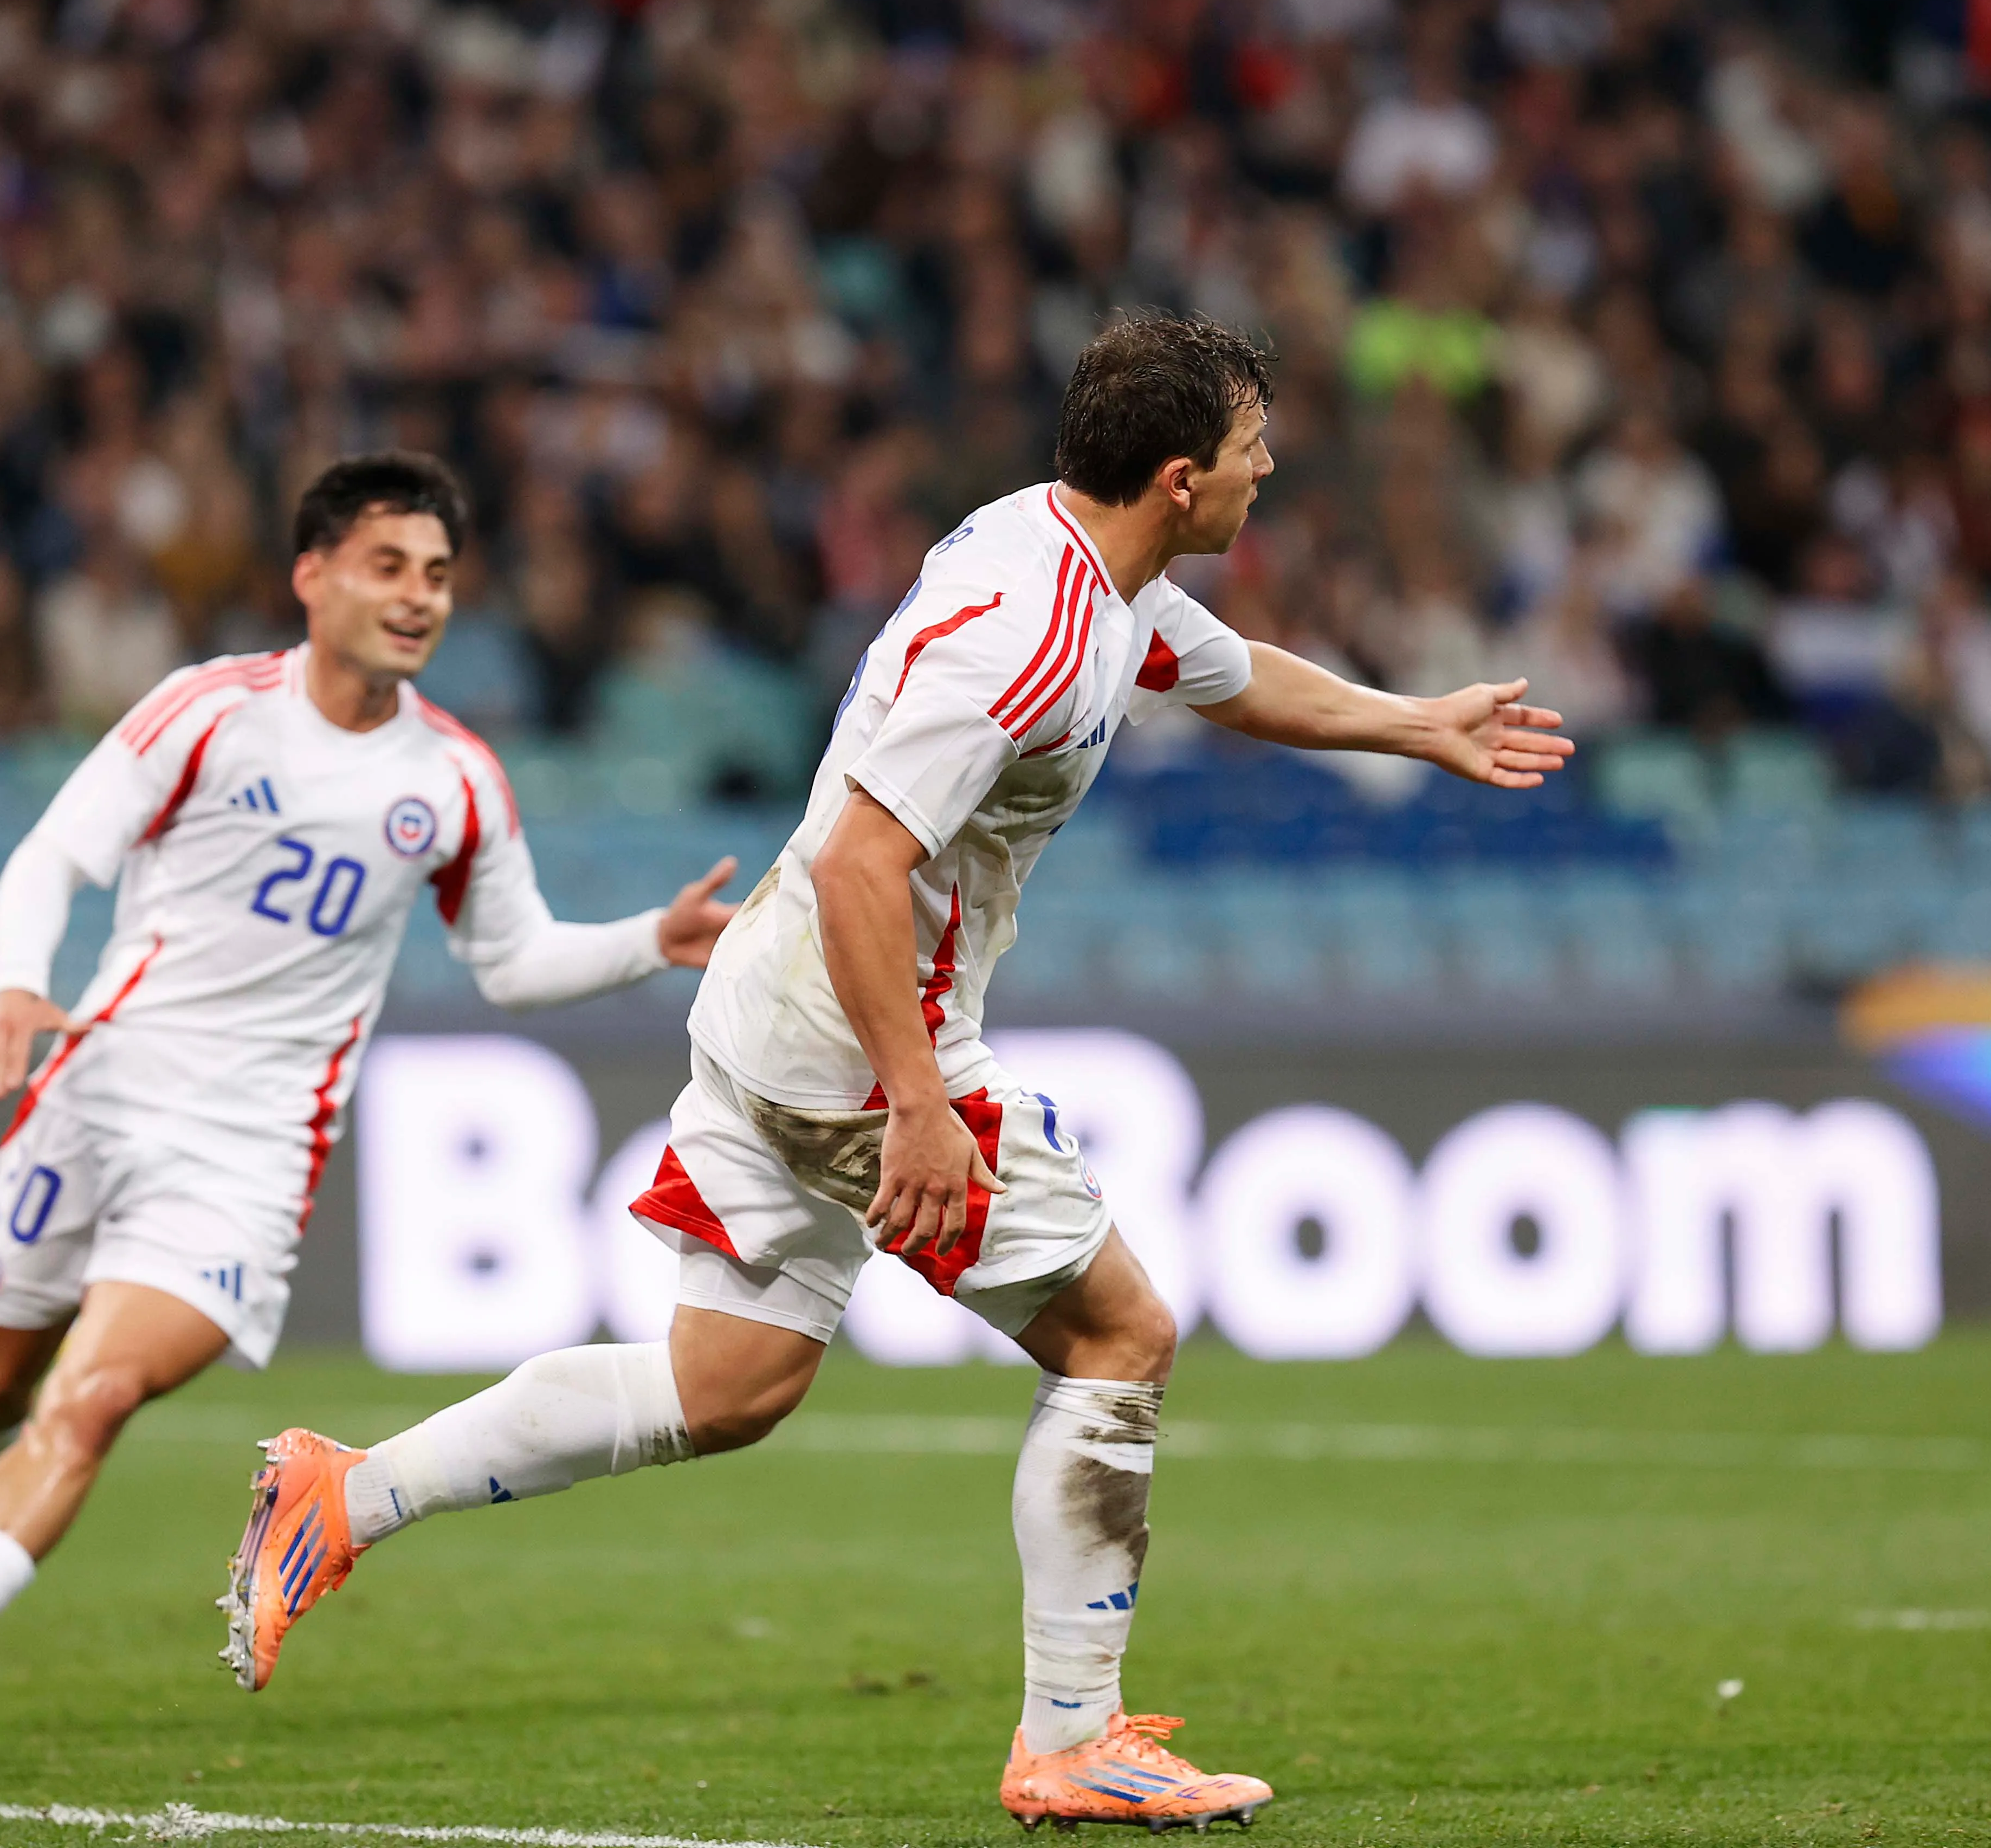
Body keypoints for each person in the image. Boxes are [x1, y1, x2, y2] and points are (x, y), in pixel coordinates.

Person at [219, 314, 1575, 1829]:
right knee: (1121, 1336)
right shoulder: (1035, 636)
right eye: (1257, 451)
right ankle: (1074, 1737)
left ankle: (348, 1493)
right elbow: (871, 861)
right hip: (861, 1050)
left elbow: (1222, 672)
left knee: (724, 1386)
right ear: (1182, 477)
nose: (1271, 472)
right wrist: (921, 1105)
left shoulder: (1072, 559)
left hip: (775, 1015)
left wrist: (1417, 725)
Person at [0, 451, 738, 1760]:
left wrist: (653, 936)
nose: (417, 599)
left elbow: (511, 959)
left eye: (439, 577)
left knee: (94, 1397)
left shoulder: (455, 780)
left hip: (246, 1159)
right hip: (98, 1095)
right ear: (312, 575)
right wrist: (17, 981)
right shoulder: (208, 712)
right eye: (388, 566)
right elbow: (55, 854)